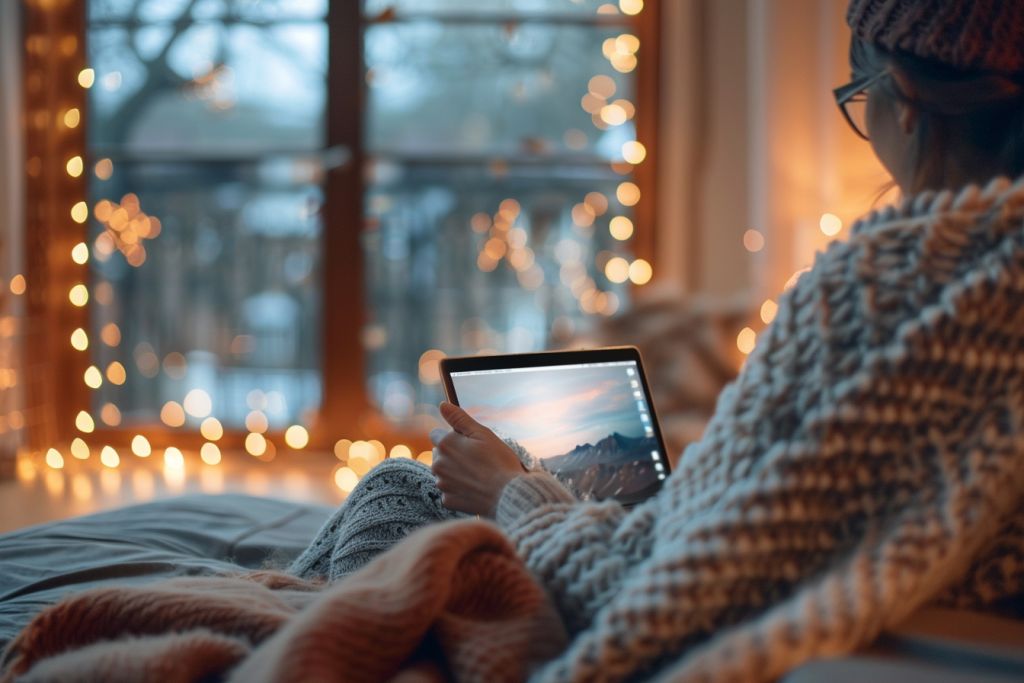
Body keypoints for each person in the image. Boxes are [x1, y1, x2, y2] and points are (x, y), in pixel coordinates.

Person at [290, 1, 1024, 680]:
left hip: (653, 625)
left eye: (857, 100)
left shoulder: (888, 286)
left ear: (902, 95)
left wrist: (510, 489)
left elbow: (656, 593)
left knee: (399, 489)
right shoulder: (988, 281)